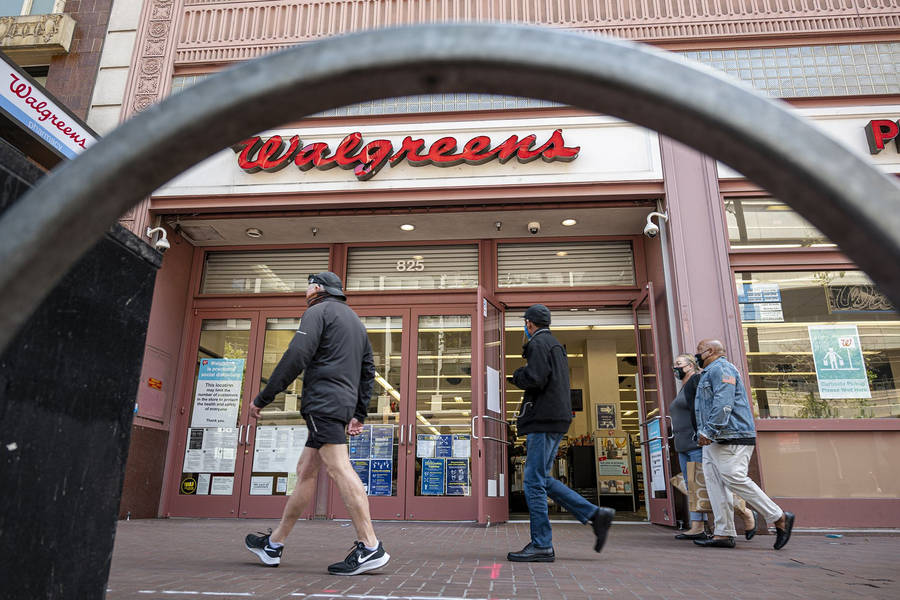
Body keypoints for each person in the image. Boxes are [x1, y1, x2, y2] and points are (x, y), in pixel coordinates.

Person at [243, 271, 389, 575]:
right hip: (339, 405)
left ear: (318, 288)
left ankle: (370, 545)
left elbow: (296, 355)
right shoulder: (356, 323)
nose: (305, 291)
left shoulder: (317, 312)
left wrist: (263, 397)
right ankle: (274, 543)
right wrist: (359, 412)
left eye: (308, 285)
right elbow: (368, 373)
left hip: (323, 403)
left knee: (339, 467)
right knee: (306, 471)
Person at [506, 304, 615, 562]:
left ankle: (542, 544)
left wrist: (517, 375)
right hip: (555, 419)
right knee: (541, 478)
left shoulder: (538, 344)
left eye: (525, 323)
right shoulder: (554, 345)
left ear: (530, 324)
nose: (525, 327)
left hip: (542, 420)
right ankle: (595, 514)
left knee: (533, 481)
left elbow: (535, 378)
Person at [692, 339, 795, 550]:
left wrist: (709, 431)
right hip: (714, 439)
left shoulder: (722, 369)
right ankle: (723, 533)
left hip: (731, 435)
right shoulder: (709, 372)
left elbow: (723, 403)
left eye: (699, 351)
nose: (696, 355)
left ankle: (778, 516)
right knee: (715, 485)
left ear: (709, 351)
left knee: (733, 476)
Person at [668, 353, 758, 540]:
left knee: (709, 484)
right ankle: (697, 526)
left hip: (697, 443)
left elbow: (706, 409)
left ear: (691, 366)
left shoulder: (696, 382)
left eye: (679, 364)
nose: (675, 368)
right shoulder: (684, 387)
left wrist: (705, 434)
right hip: (683, 443)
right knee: (694, 486)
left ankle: (745, 513)